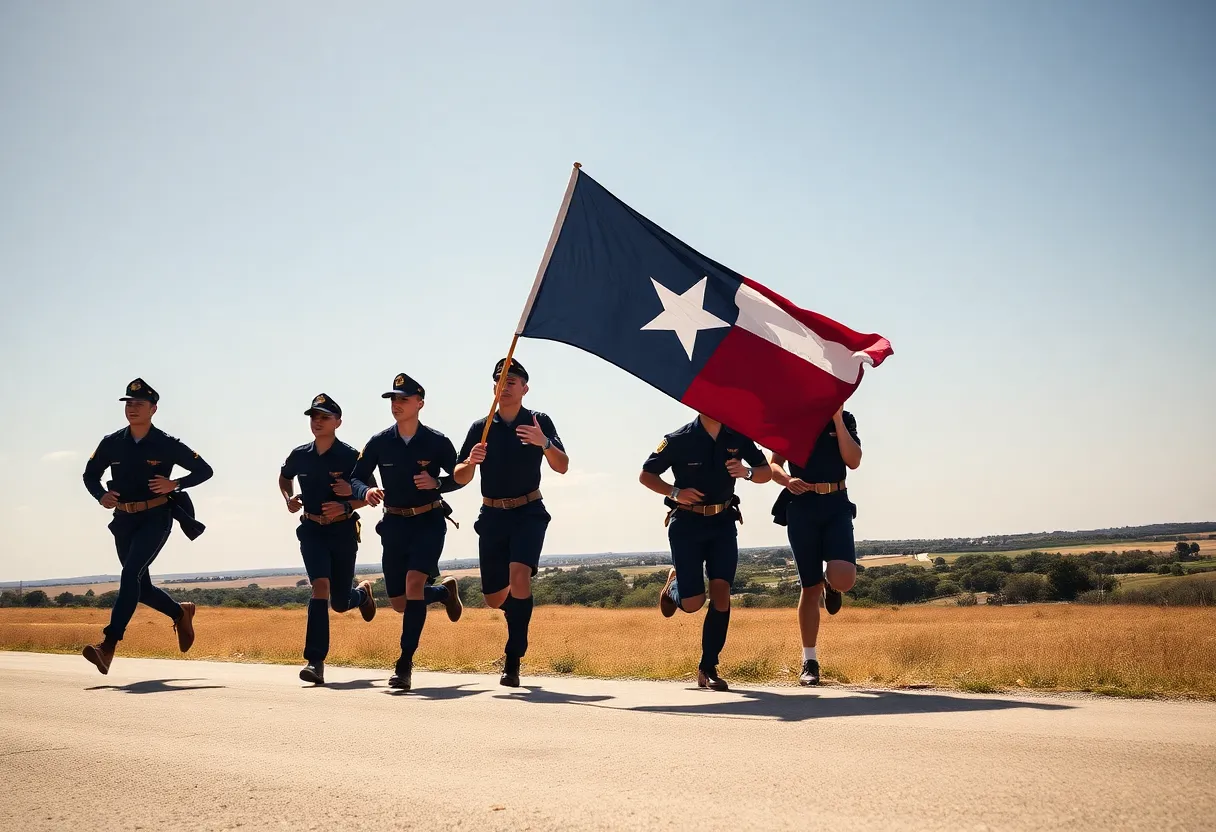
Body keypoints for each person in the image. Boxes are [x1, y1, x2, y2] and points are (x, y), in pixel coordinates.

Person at [80, 379, 214, 675]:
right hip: (124, 520)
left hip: (156, 518)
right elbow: (90, 475)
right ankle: (181, 612)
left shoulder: (167, 444)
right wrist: (100, 494)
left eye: (139, 404)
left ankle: (108, 646)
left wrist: (175, 483)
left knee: (130, 574)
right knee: (141, 588)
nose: (132, 408)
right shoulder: (111, 442)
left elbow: (205, 470)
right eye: (128, 403)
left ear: (153, 409)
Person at [453, 358, 568, 687]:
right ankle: (518, 622)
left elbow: (562, 466)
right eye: (499, 382)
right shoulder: (481, 426)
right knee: (493, 597)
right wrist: (471, 462)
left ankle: (513, 658)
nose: (505, 387)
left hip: (528, 511)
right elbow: (459, 476)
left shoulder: (538, 420)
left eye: (512, 381)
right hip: (491, 515)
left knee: (520, 576)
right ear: (493, 389)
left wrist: (543, 442)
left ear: (524, 388)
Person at [348, 373, 464, 691]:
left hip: (428, 522)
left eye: (403, 398)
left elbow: (460, 476)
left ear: (419, 403)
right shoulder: (379, 442)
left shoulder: (437, 441)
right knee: (400, 602)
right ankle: (443, 592)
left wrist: (438, 483)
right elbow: (355, 477)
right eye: (393, 399)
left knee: (414, 584)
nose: (396, 404)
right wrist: (367, 490)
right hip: (395, 525)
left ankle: (404, 665)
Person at [639, 412, 771, 691]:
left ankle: (708, 667)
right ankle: (674, 587)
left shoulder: (738, 435)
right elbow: (646, 475)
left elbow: (765, 473)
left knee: (722, 592)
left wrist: (746, 472)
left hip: (723, 522)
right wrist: (675, 492)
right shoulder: (678, 439)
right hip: (686, 524)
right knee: (692, 603)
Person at [278, 393, 378, 685]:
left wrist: (347, 505)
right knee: (319, 587)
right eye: (313, 417)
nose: (317, 422)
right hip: (311, 531)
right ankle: (315, 662)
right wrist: (289, 498)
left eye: (324, 417)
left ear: (338, 422)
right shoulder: (300, 455)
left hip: (342, 531)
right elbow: (284, 478)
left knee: (340, 602)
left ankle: (361, 594)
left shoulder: (350, 456)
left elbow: (370, 492)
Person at [769, 407, 862, 686]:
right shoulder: (791, 419)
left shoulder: (845, 419)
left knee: (844, 578)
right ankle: (809, 661)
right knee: (810, 588)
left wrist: (836, 418)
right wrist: (787, 480)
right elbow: (773, 465)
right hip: (802, 507)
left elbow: (854, 460)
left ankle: (832, 586)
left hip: (836, 503)